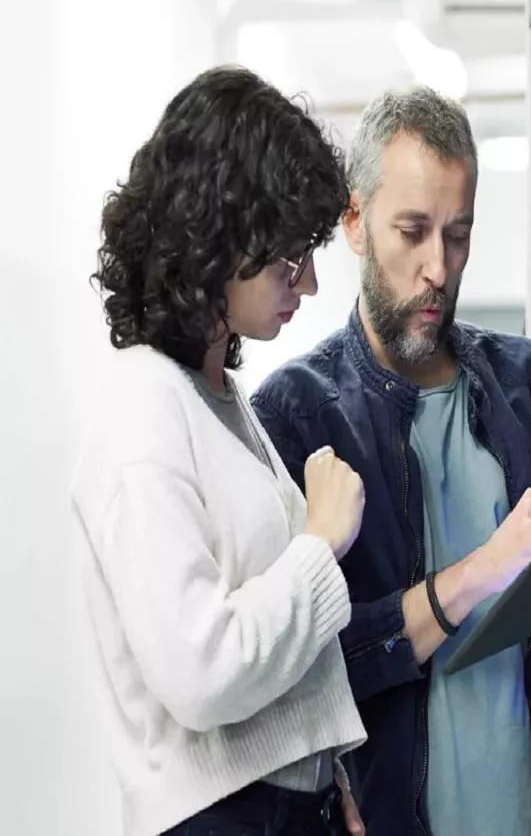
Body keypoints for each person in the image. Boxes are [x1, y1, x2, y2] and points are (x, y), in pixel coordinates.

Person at [251, 86, 531, 836]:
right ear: (354, 222)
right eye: (412, 231)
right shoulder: (295, 416)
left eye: (458, 234)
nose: (438, 269)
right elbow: (297, 682)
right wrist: (482, 568)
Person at [69, 66, 371, 836]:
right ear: (215, 238)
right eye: (284, 257)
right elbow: (200, 673)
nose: (305, 281)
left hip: (286, 811)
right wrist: (319, 545)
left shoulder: (217, 393)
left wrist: (327, 780)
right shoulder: (142, 403)